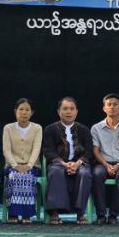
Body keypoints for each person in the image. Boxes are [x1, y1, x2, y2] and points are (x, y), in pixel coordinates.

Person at [42, 96, 93, 225]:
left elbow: (89, 151)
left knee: (85, 173)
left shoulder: (84, 130)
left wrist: (78, 163)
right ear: (58, 111)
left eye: (72, 108)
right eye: (65, 109)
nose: (69, 112)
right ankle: (55, 213)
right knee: (56, 172)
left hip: (80, 164)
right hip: (58, 163)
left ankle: (80, 213)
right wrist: (63, 163)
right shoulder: (50, 129)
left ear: (76, 111)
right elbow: (48, 151)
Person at [91, 93, 119, 225]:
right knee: (96, 174)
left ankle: (113, 215)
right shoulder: (96, 128)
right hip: (103, 163)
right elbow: (95, 151)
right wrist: (106, 165)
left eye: (115, 104)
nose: (112, 107)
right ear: (104, 108)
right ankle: (101, 214)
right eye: (109, 104)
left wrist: (117, 166)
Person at [2, 98, 42, 224]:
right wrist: (15, 165)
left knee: (27, 176)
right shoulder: (8, 128)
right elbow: (6, 150)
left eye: (27, 110)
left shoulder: (37, 128)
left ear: (32, 112)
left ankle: (26, 214)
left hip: (32, 166)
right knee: (15, 175)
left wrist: (29, 165)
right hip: (12, 166)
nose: (24, 112)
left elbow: (36, 149)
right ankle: (13, 213)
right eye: (21, 109)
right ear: (15, 111)